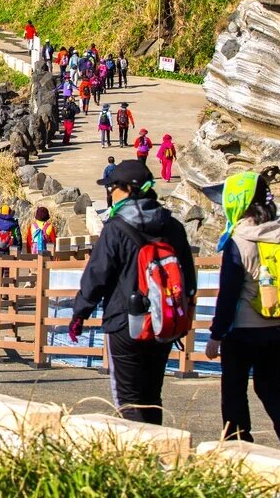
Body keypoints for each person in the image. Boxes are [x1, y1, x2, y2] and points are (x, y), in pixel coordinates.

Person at [69, 160, 197, 425]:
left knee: (128, 398)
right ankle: (157, 453)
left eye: (113, 187)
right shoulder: (172, 227)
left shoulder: (116, 228)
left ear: (127, 189)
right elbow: (188, 277)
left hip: (124, 322)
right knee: (152, 395)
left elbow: (97, 274)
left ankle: (140, 460)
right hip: (163, 323)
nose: (109, 193)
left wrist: (79, 313)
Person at [203, 172, 280, 453]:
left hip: (244, 328)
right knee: (270, 384)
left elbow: (228, 294)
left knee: (234, 387)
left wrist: (216, 335)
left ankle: (238, 443)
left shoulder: (238, 241)